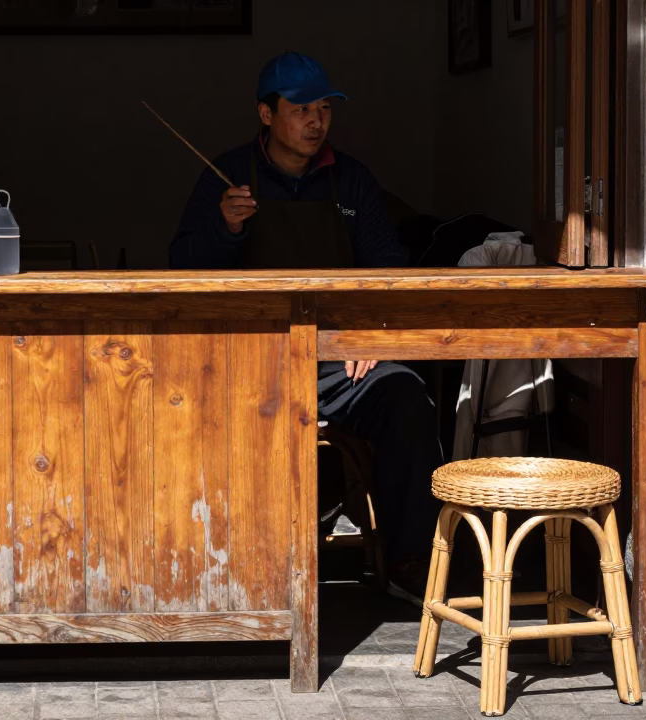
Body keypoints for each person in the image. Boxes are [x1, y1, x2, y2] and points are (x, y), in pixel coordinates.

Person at [169, 52, 444, 602]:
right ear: (266, 115)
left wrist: (366, 333)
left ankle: (410, 562)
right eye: (300, 110)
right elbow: (180, 268)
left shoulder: (353, 181)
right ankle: (229, 570)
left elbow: (389, 267)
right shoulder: (225, 177)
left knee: (405, 396)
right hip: (248, 362)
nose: (316, 122)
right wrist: (225, 230)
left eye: (324, 109)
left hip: (337, 361)